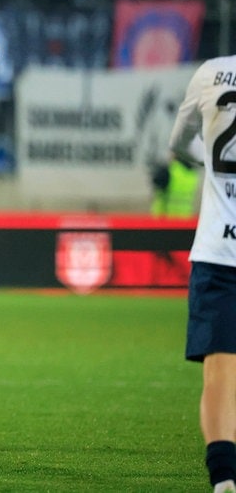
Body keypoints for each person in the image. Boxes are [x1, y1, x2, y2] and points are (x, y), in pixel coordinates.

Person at [169, 54, 236, 493]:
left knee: (220, 371)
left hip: (217, 250)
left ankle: (224, 477)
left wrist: (210, 166)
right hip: (215, 253)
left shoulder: (212, 73)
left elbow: (178, 143)